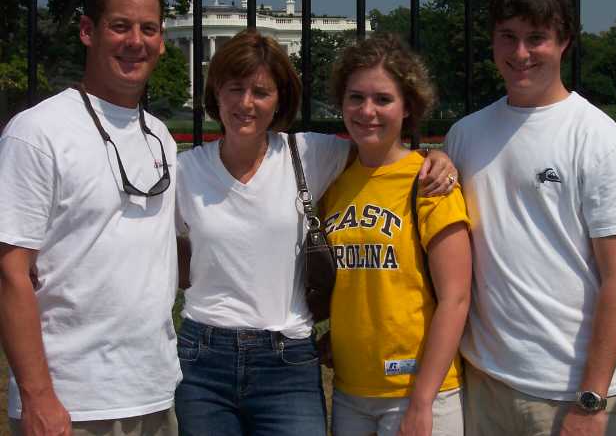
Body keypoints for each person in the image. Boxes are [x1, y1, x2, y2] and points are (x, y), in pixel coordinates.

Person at [173, 29, 457, 436]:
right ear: (216, 93)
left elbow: (382, 151)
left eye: (261, 92)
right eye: (235, 89)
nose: (246, 103)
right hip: (204, 356)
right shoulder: (185, 170)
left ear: (279, 100)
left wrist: (436, 157)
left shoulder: (309, 154)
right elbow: (166, 251)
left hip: (286, 356)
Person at [444, 0, 616, 436]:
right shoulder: (464, 136)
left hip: (574, 394)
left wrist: (591, 399)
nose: (520, 53)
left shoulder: (600, 140)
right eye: (508, 36)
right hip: (485, 386)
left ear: (564, 42)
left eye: (536, 38)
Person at [0, 0, 180, 436]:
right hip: (70, 403)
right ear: (87, 31)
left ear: (162, 40)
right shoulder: (38, 132)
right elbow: (10, 272)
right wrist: (38, 397)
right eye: (120, 26)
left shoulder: (160, 136)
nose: (135, 41)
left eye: (148, 29)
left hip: (154, 392)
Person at [322, 33, 472, 436]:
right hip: (351, 390)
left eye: (383, 99)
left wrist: (422, 402)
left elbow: (456, 298)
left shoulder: (430, 181)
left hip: (419, 391)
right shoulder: (334, 183)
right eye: (356, 97)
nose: (367, 111)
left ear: (408, 107)